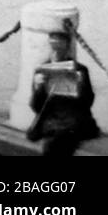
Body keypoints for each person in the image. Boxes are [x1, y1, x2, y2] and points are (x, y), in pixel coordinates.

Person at [27, 27, 99, 157]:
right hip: (52, 120)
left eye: (60, 47)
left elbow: (87, 103)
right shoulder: (42, 70)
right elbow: (36, 106)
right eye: (53, 46)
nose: (56, 52)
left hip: (74, 119)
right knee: (56, 140)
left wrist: (81, 86)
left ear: (67, 48)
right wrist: (39, 88)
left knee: (58, 139)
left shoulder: (80, 70)